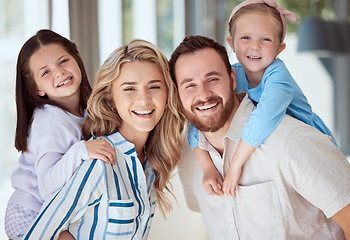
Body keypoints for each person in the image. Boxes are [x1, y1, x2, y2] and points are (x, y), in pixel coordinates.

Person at [169, 35, 350, 239]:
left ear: (232, 78)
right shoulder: (188, 156)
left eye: (212, 79)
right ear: (177, 94)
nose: (203, 95)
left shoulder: (290, 140)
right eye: (189, 85)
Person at [17, 38, 185, 239]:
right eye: (129, 88)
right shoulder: (97, 162)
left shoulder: (149, 165)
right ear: (110, 100)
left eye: (154, 87)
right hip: (23, 210)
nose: (143, 99)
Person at [186, 0, 338, 197]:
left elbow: (265, 117)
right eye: (246, 37)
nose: (255, 47)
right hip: (275, 153)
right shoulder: (232, 75)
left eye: (265, 40)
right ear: (231, 43)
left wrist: (235, 165)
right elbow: (198, 118)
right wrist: (207, 167)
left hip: (310, 146)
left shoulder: (279, 77)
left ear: (279, 48)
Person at [4, 29, 116, 240]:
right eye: (45, 72)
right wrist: (81, 150)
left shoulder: (86, 110)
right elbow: (47, 186)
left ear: (78, 59)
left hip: (53, 210)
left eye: (63, 61)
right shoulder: (48, 122)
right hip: (30, 212)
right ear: (37, 89)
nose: (58, 72)